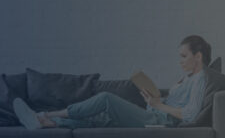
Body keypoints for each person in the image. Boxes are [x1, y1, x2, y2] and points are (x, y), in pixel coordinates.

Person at [13, 35, 211, 130]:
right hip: (154, 113)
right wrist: (158, 98)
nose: (180, 60)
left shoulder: (201, 79)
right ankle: (48, 123)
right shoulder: (188, 78)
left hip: (160, 121)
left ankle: (46, 114)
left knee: (107, 99)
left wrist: (158, 104)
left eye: (184, 56)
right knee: (101, 117)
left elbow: (191, 114)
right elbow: (177, 104)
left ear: (198, 56)